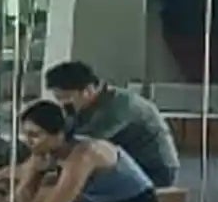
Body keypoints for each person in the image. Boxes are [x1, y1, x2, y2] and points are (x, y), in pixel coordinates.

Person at [12, 100, 160, 202]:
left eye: (34, 135)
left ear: (59, 135)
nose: (28, 141)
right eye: (25, 134)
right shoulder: (43, 151)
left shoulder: (84, 154)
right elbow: (23, 197)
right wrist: (32, 177)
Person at [43, 60, 179, 188]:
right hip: (127, 165)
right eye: (58, 98)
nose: (62, 103)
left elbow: (85, 144)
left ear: (88, 90)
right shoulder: (83, 105)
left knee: (72, 182)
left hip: (155, 171)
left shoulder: (120, 105)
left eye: (66, 97)